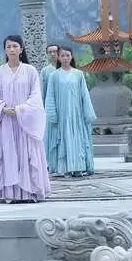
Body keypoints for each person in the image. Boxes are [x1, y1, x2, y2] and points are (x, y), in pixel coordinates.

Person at [0, 35, 51, 203]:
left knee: (27, 154)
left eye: (15, 46)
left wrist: (20, 109)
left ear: (21, 49)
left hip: (25, 122)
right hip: (7, 121)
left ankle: (30, 191)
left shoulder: (30, 71)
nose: (12, 49)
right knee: (8, 154)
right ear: (5, 50)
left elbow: (36, 97)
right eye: (8, 46)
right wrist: (3, 108)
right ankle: (10, 193)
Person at [45, 46, 96, 177]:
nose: (65, 58)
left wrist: (87, 113)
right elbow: (50, 96)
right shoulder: (54, 76)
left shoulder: (79, 74)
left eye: (68, 55)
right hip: (61, 114)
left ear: (71, 57)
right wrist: (52, 114)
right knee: (64, 139)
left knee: (78, 139)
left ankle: (79, 167)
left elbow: (84, 94)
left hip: (77, 114)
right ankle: (66, 168)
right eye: (62, 55)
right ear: (59, 58)